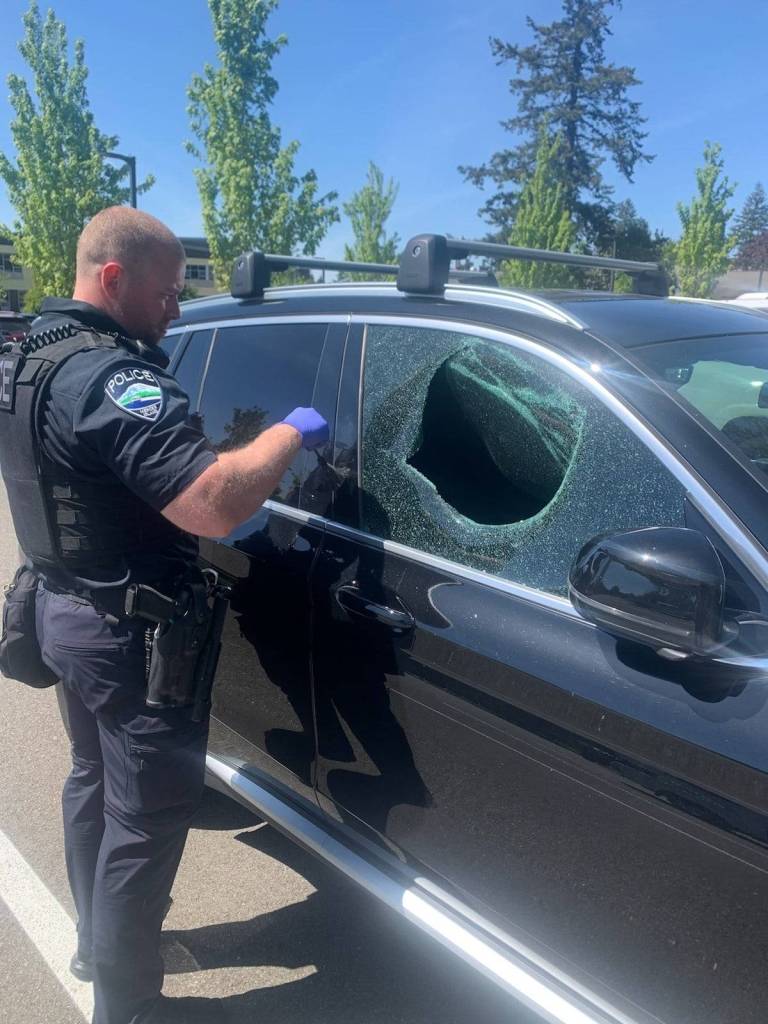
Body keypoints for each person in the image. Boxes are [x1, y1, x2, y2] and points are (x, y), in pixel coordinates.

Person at [0, 206, 328, 1024]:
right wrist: (290, 431)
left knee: (91, 778)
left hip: (60, 604)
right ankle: (130, 1003)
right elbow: (213, 505)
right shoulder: (115, 378)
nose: (177, 311)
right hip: (122, 632)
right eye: (168, 293)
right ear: (112, 280)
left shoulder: (23, 360)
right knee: (145, 821)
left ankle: (93, 940)